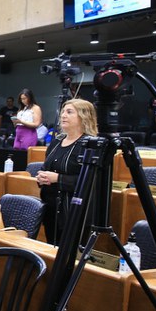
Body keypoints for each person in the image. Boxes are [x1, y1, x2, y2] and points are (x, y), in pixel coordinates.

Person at [36, 99, 98, 246]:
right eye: (63, 112)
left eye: (69, 112)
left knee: (69, 253)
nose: (63, 115)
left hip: (74, 211)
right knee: (51, 251)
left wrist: (58, 178)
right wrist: (41, 177)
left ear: (84, 116)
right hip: (51, 209)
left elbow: (90, 181)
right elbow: (46, 167)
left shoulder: (90, 145)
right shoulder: (56, 142)